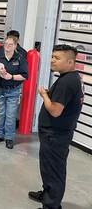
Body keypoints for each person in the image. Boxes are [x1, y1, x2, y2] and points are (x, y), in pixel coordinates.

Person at [29, 45, 84, 209]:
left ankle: (51, 205)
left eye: (57, 58)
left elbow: (54, 111)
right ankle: (47, 194)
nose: (52, 60)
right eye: (52, 56)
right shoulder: (72, 78)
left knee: (54, 171)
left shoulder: (66, 82)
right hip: (57, 134)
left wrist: (44, 95)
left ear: (70, 61)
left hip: (55, 134)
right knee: (48, 168)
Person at [0, 36, 28, 149]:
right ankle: (0, 134)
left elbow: (25, 76)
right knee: (0, 113)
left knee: (10, 116)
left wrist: (11, 77)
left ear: (15, 46)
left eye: (10, 44)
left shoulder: (20, 59)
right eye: (6, 44)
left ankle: (9, 138)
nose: (8, 46)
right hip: (0, 90)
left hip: (13, 91)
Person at [0, 30, 27, 126]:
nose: (8, 44)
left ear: (18, 40)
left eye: (12, 41)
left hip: (12, 82)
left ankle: (10, 121)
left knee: (12, 103)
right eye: (7, 41)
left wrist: (12, 77)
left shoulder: (22, 53)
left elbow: (24, 71)